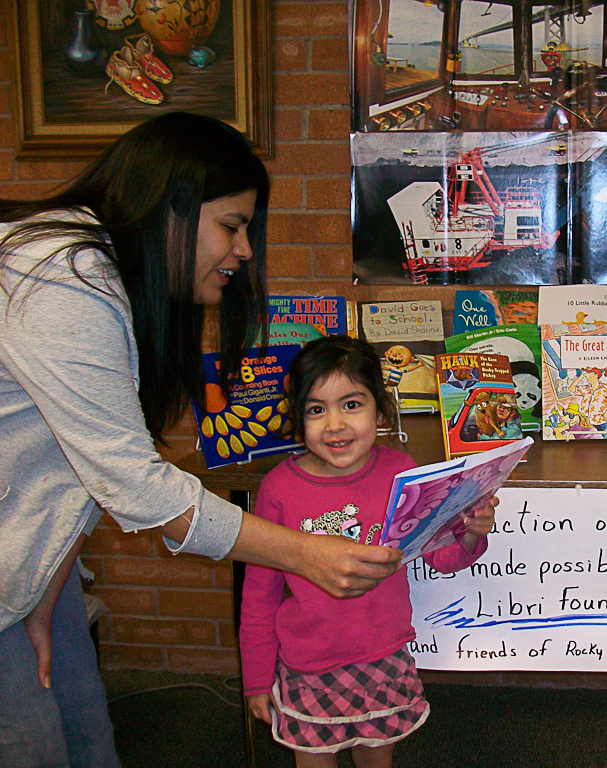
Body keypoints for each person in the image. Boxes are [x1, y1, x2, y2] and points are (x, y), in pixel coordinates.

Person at [0, 112, 408, 767]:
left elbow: (77, 474)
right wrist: (304, 554)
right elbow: (136, 486)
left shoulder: (103, 280)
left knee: (87, 742)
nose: (244, 252)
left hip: (26, 573)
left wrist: (42, 600)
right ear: (172, 207)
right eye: (232, 225)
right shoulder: (63, 275)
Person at [239, 335, 495, 768]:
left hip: (384, 653)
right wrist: (256, 679)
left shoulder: (401, 471)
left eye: (352, 404)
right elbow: (259, 595)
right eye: (316, 409)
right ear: (298, 416)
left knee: (378, 761)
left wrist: (472, 532)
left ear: (380, 407)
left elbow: (442, 557)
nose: (335, 425)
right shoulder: (278, 489)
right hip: (308, 664)